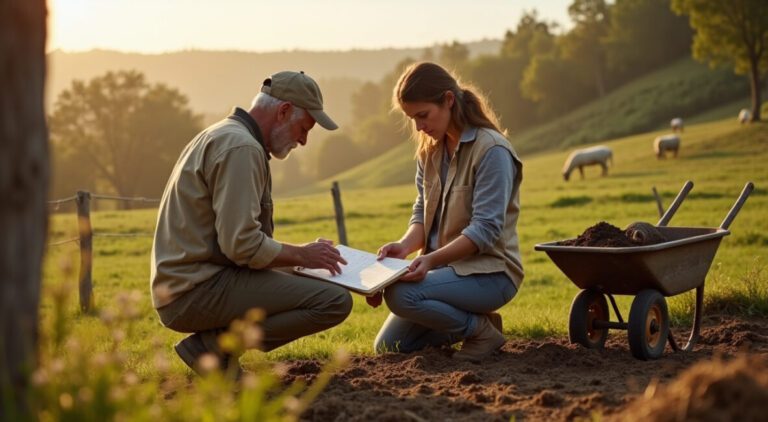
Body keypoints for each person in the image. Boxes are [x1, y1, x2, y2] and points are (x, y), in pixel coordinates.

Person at [150, 70, 353, 376]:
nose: (304, 140)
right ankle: (214, 348)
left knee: (322, 282)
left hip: (194, 281)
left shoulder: (223, 134)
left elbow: (237, 247)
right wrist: (302, 256)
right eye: (303, 128)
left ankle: (218, 354)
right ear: (283, 111)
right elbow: (242, 245)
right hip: (194, 290)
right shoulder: (242, 149)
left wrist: (309, 262)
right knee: (333, 301)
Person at [371, 62, 524, 361]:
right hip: (444, 273)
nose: (418, 127)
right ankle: (476, 323)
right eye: (411, 118)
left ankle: (479, 331)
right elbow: (422, 215)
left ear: (448, 101)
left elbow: (486, 230)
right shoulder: (429, 152)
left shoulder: (492, 151)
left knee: (401, 295)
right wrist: (403, 248)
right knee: (390, 347)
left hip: (490, 273)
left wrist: (429, 261)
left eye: (422, 115)